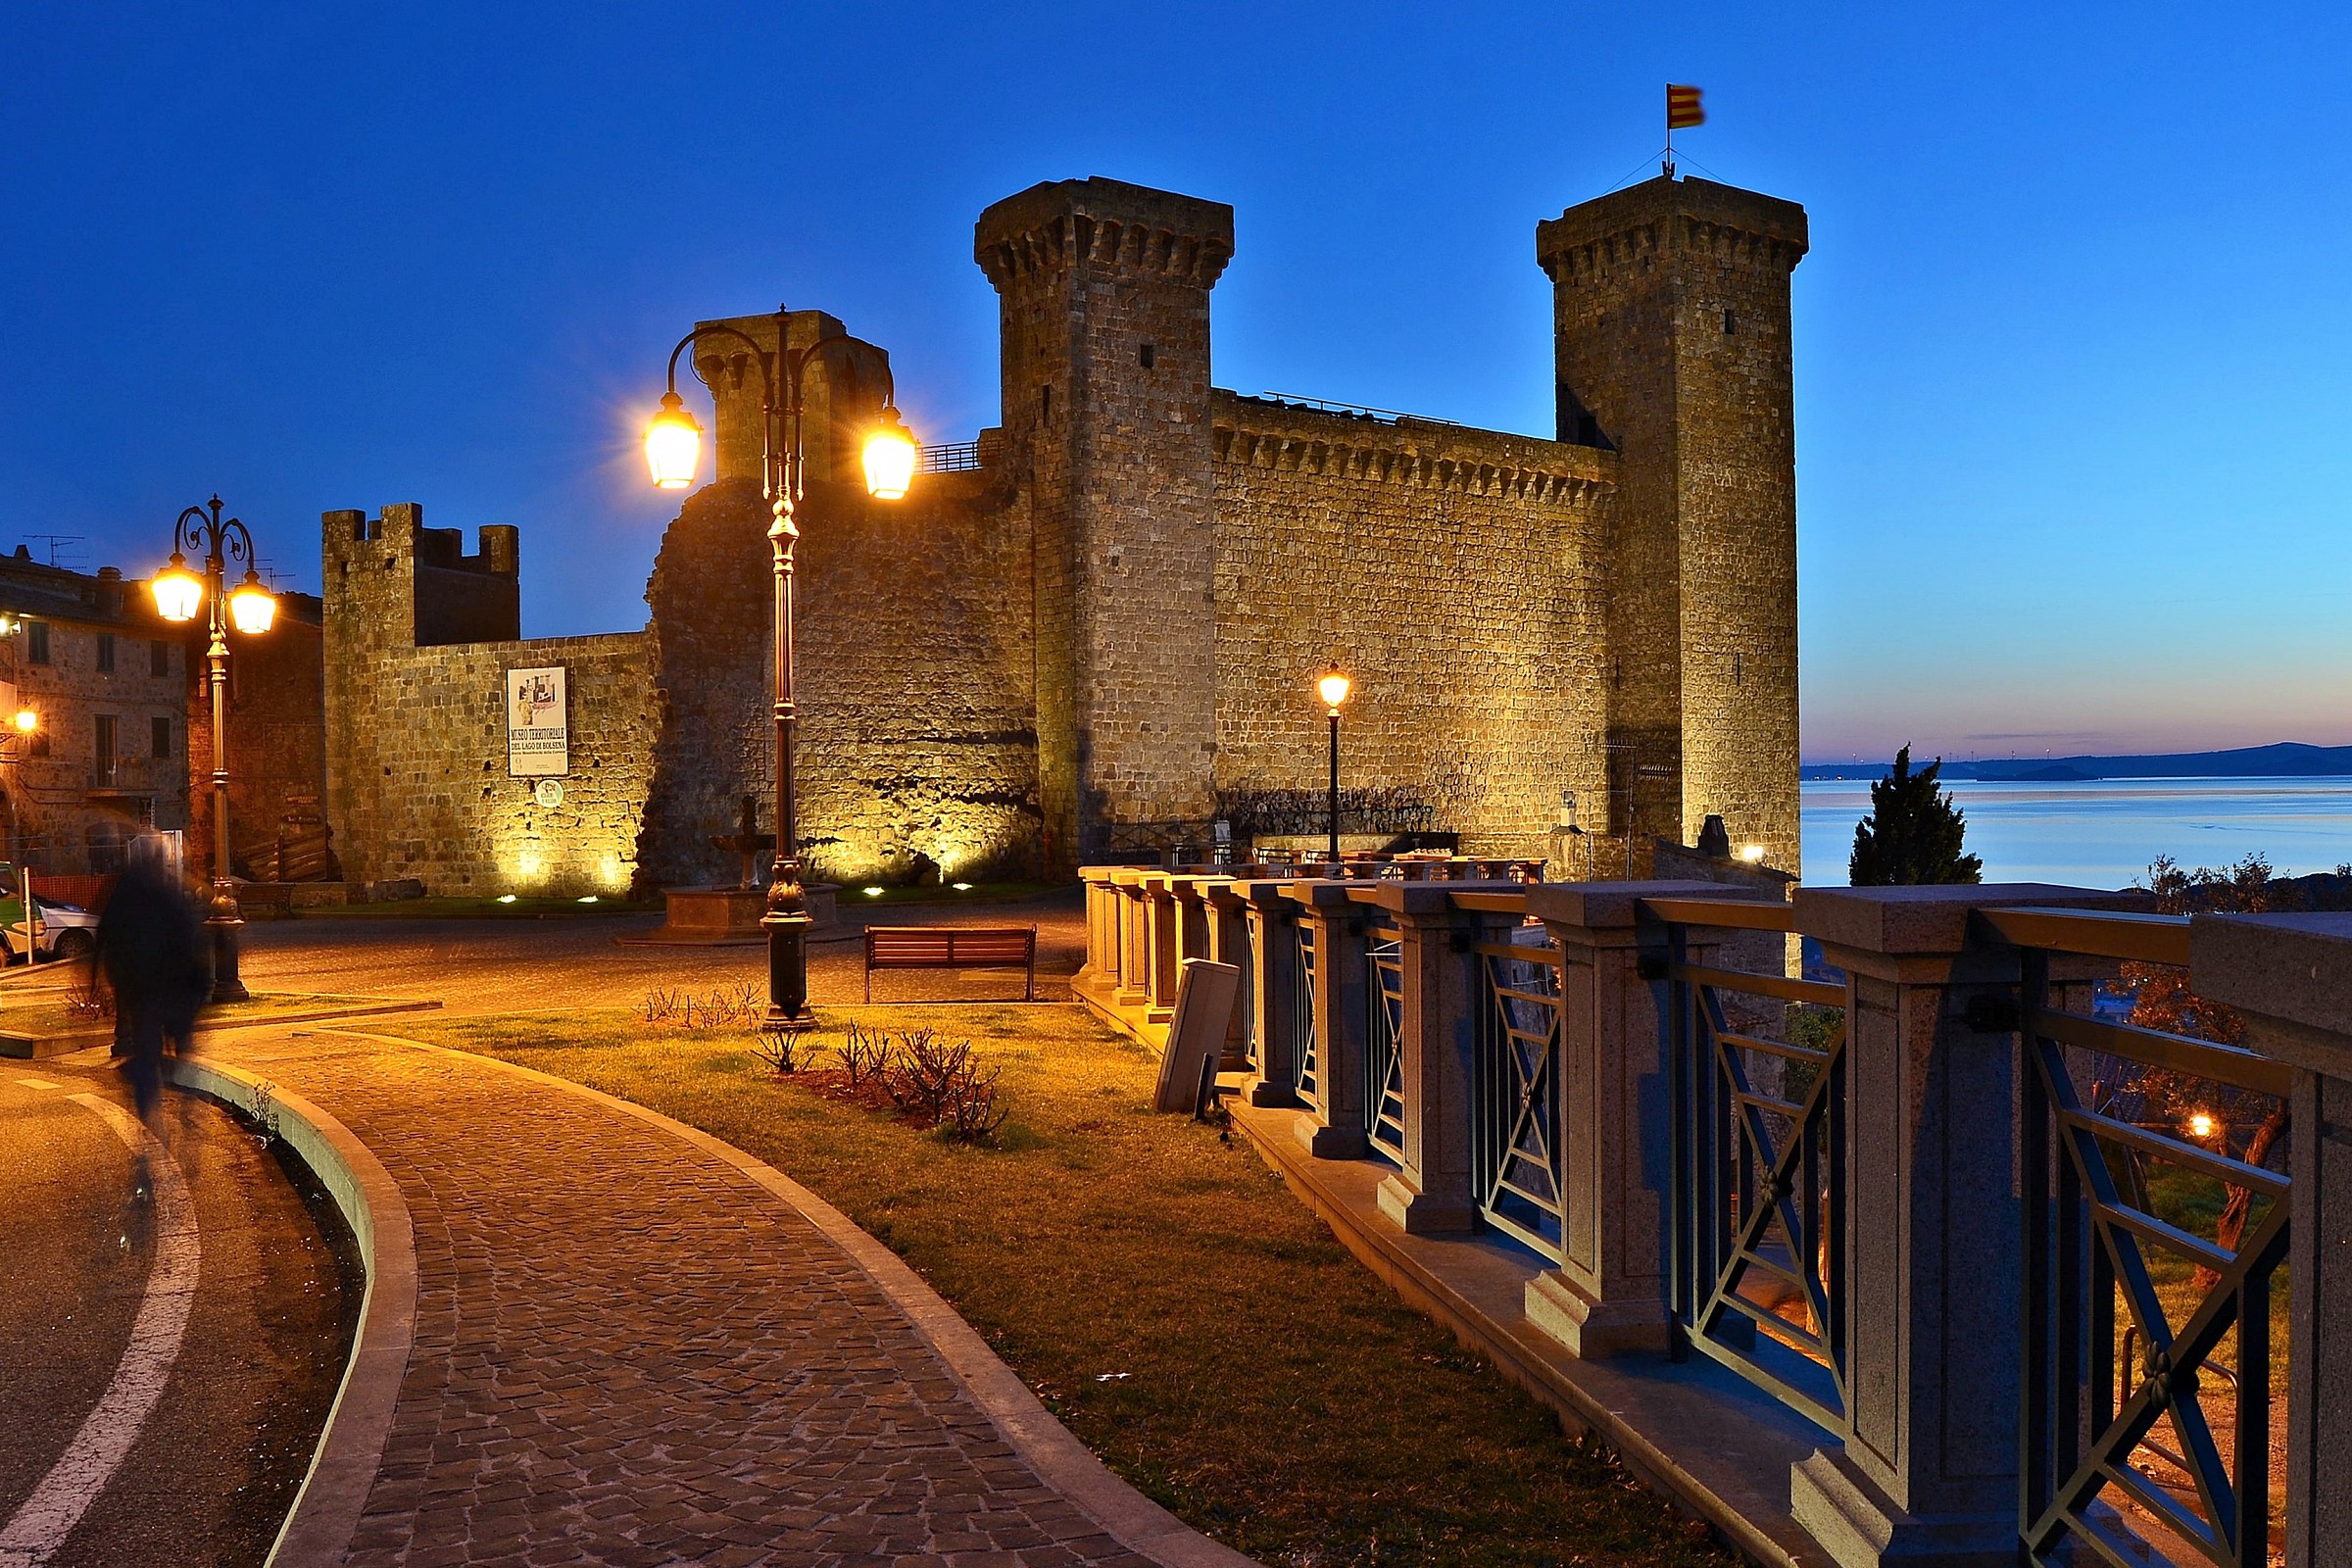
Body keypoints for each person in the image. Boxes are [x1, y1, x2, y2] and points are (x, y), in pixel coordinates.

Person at [94, 835, 210, 1128]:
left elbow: (104, 935)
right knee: (179, 1046)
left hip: (140, 989)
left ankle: (150, 1112)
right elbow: (188, 936)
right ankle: (187, 1103)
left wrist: (97, 977)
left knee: (147, 1052)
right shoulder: (168, 890)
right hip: (170, 987)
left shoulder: (123, 890)